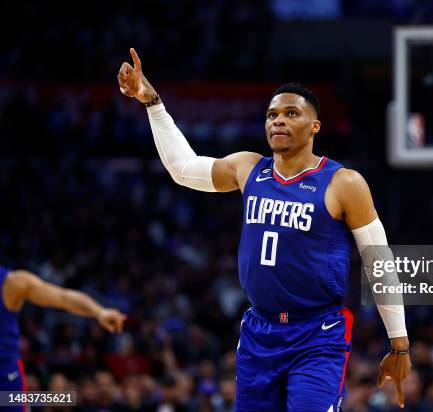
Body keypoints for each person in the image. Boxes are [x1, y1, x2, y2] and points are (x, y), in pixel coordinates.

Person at [117, 48, 410, 411]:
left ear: (314, 125)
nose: (278, 122)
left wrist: (399, 344)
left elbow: (378, 262)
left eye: (291, 114)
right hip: (260, 331)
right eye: (272, 115)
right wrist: (152, 103)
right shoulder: (249, 169)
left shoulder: (343, 183)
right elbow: (182, 168)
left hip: (317, 335)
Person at [0, 266, 126, 395]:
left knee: (65, 399)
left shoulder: (13, 283)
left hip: (6, 378)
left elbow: (63, 298)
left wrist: (99, 311)